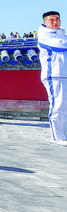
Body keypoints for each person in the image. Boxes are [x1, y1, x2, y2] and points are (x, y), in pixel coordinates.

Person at [37, 11, 67, 146]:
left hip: (64, 74)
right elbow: (62, 45)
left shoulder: (61, 33)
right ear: (45, 22)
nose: (55, 22)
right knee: (58, 105)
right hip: (54, 75)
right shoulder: (44, 36)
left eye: (57, 19)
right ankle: (57, 136)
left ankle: (63, 134)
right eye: (51, 20)